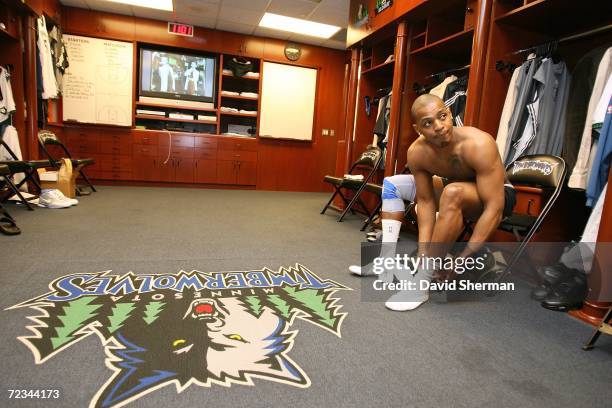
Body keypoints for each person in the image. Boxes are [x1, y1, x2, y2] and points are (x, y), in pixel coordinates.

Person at [350, 94, 516, 312]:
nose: (439, 126)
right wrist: (423, 249)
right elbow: (426, 201)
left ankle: (421, 283)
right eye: (428, 123)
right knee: (392, 184)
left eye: (443, 116)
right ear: (418, 128)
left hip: (496, 197)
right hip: (454, 187)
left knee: (452, 192)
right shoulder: (417, 153)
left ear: (449, 114)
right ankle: (385, 263)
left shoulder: (479, 143)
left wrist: (464, 257)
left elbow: (495, 208)